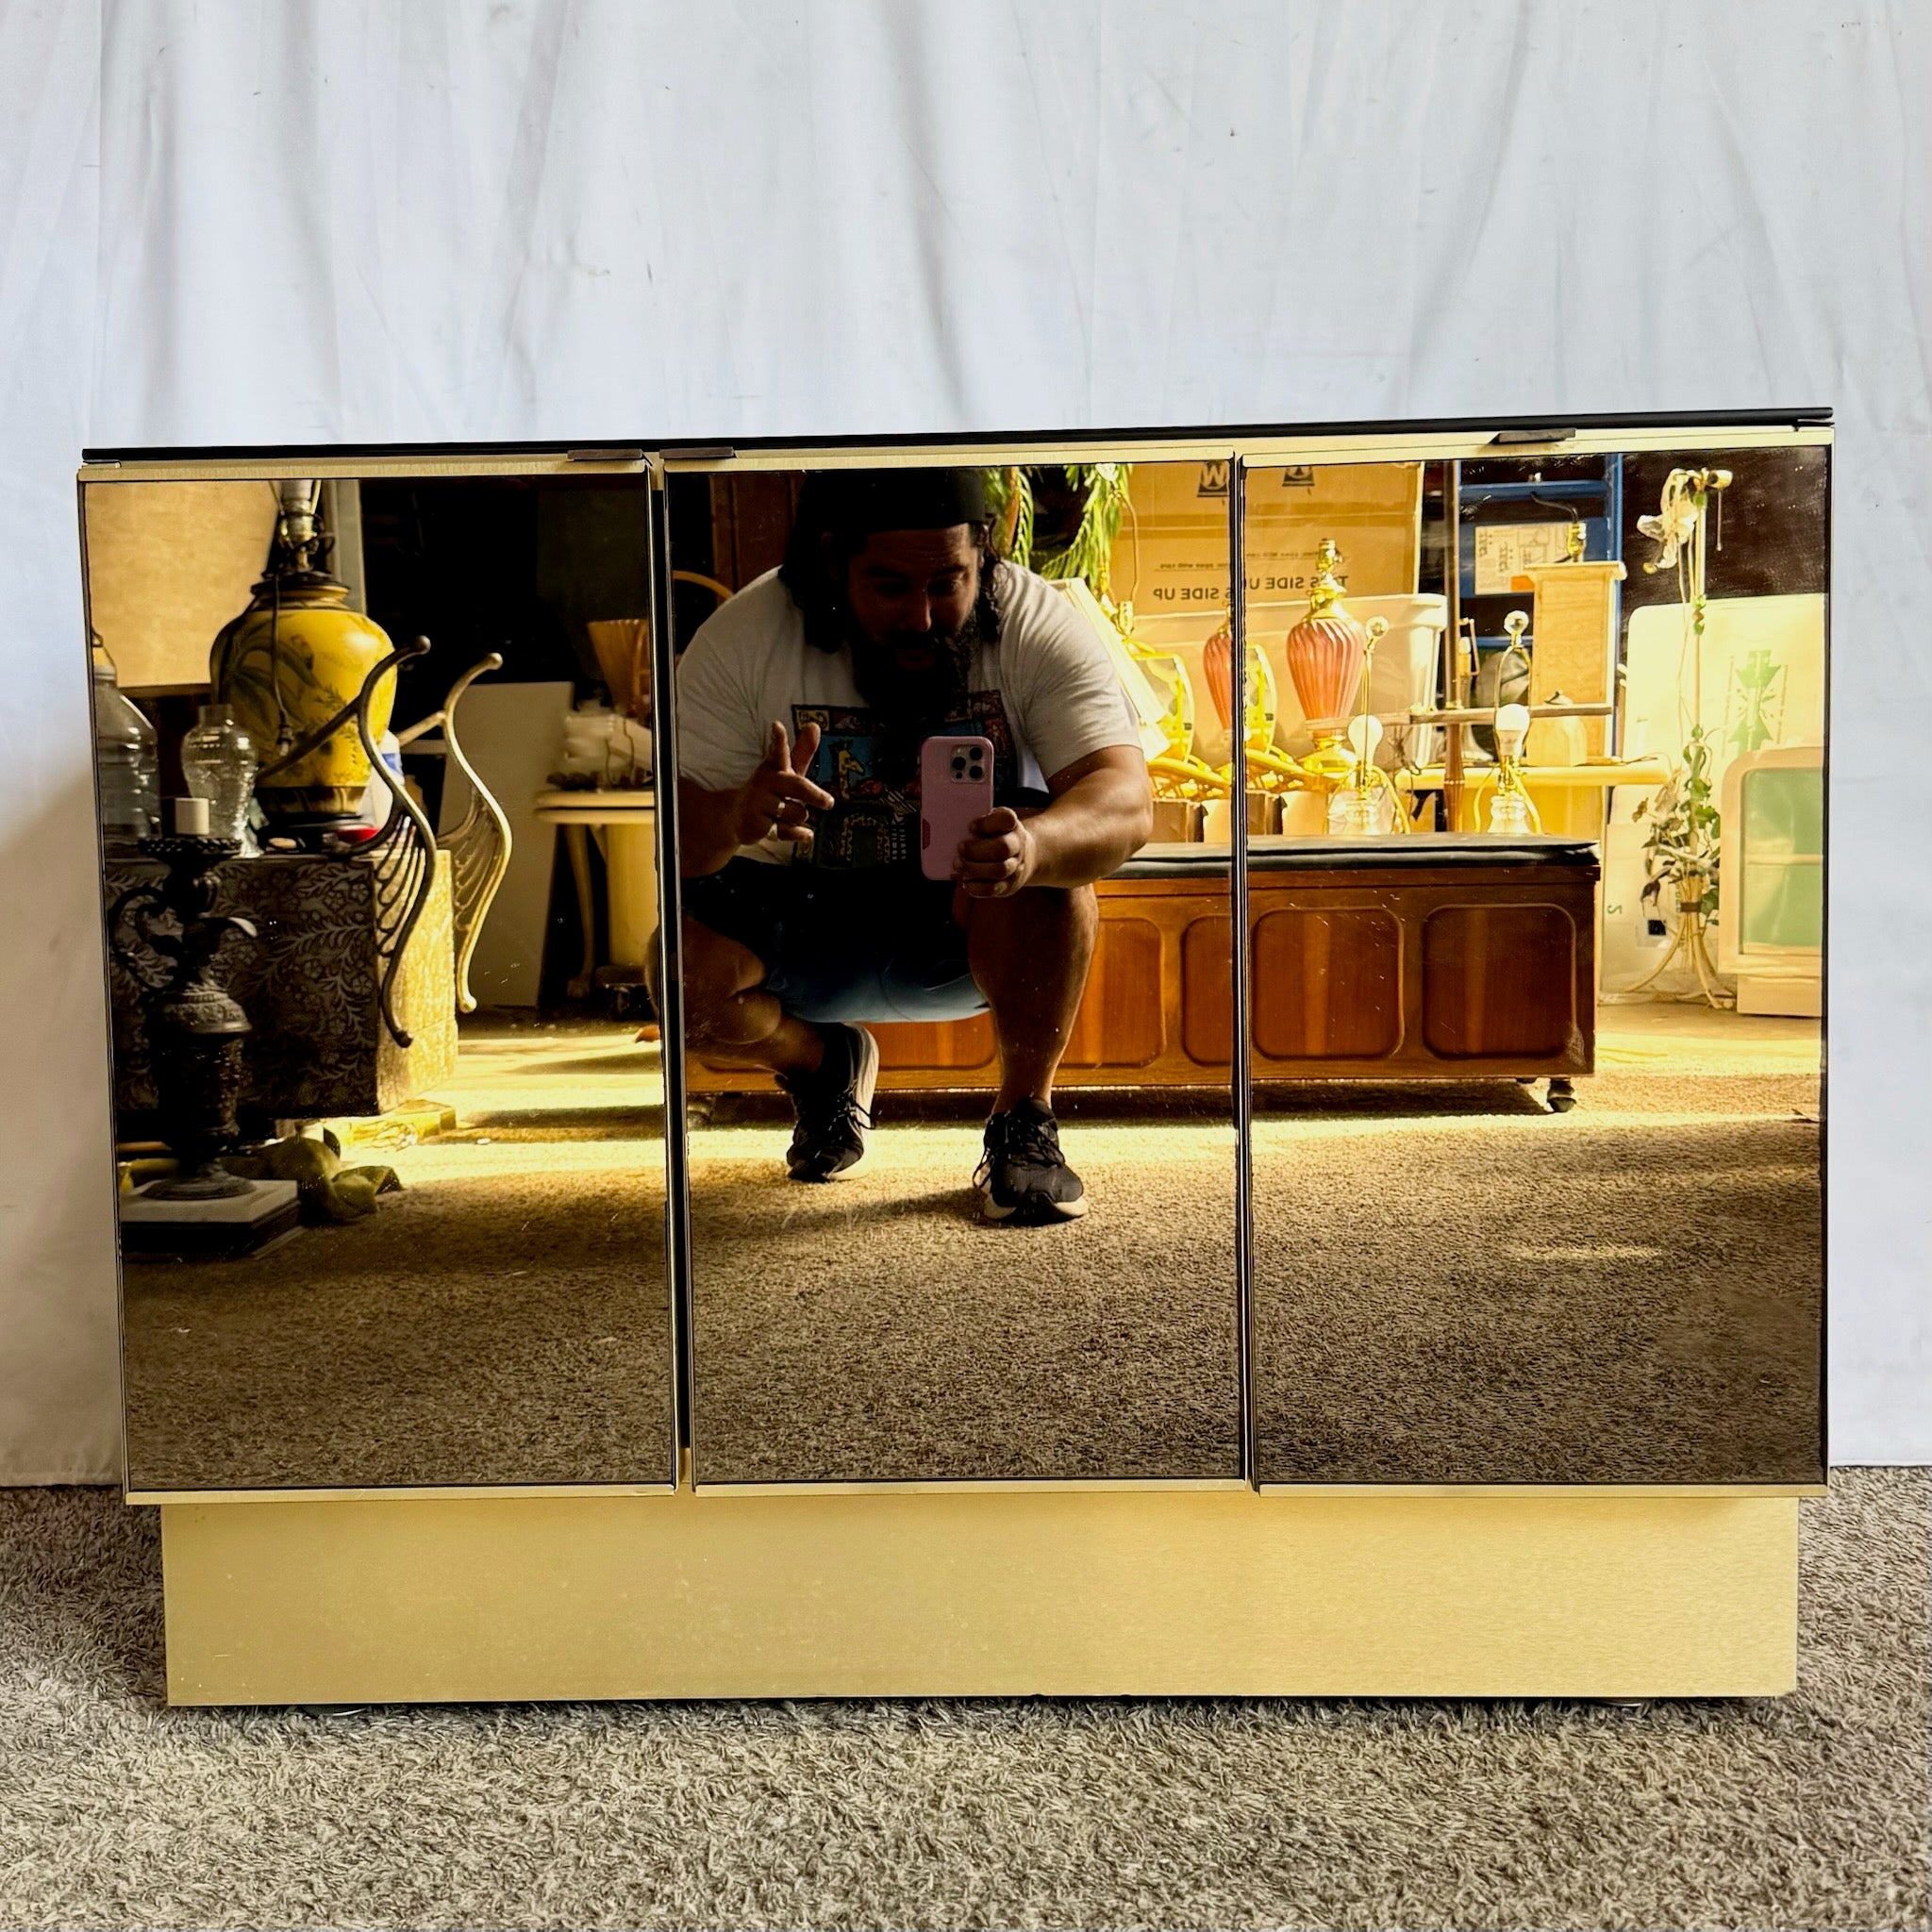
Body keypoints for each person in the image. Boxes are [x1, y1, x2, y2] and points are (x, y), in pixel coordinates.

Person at [673, 466, 1153, 1224]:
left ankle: (1025, 1120)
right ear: (834, 564)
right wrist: (739, 813)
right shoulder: (743, 637)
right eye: (891, 587)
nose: (924, 617)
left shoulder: (1035, 621)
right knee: (677, 980)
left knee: (1052, 864)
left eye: (948, 582)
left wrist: (1034, 844)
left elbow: (1124, 800)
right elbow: (677, 851)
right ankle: (820, 1063)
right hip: (793, 913)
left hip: (969, 907)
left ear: (982, 556)